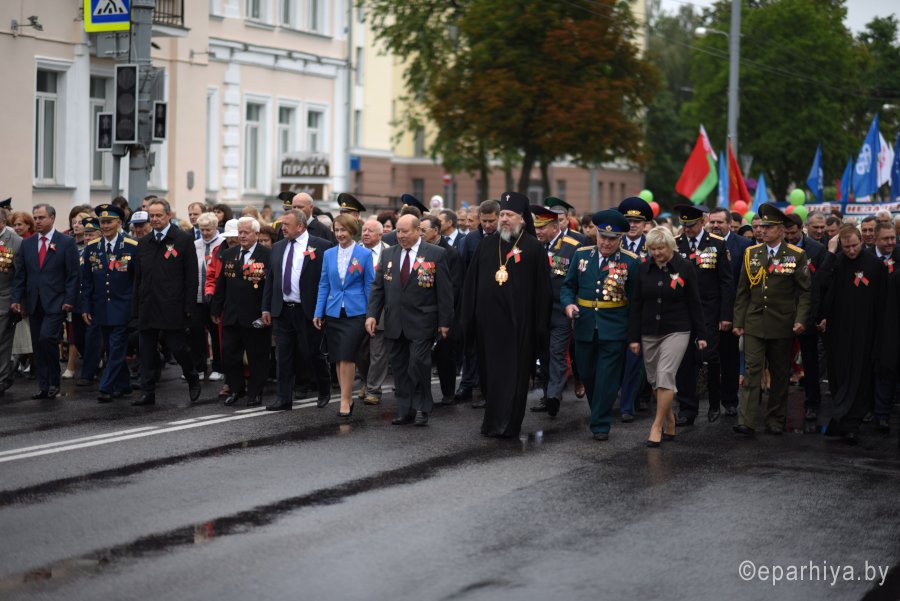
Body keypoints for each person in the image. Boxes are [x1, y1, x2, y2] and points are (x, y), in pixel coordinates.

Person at [461, 192, 551, 438]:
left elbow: (543, 292)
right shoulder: (486, 245)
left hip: (519, 327)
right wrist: (467, 319)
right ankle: (491, 423)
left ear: (522, 219)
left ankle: (509, 425)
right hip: (488, 326)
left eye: (509, 215)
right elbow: (471, 284)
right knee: (490, 377)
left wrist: (540, 327)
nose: (504, 219)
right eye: (502, 214)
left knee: (514, 377)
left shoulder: (533, 248)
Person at [366, 214, 453, 426]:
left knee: (418, 364)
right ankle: (405, 409)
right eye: (398, 231)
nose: (400, 235)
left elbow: (445, 291)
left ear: (417, 231)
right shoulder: (388, 253)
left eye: (405, 231)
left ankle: (422, 406)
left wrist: (445, 322)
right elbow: (378, 288)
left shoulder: (436, 254)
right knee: (400, 367)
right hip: (395, 321)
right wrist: (372, 315)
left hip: (422, 321)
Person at [732, 203, 811, 437]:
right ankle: (746, 420)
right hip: (755, 322)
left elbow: (805, 292)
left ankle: (775, 418)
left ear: (781, 229)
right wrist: (738, 321)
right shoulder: (751, 253)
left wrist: (801, 319)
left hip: (782, 323)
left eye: (769, 227)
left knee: (779, 374)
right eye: (762, 226)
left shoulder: (796, 255)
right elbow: (743, 291)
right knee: (752, 371)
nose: (762, 230)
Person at [561, 209, 640, 441]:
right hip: (584, 324)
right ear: (596, 234)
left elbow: (636, 300)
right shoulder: (581, 255)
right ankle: (599, 409)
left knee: (607, 376)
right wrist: (568, 305)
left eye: (611, 239)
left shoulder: (631, 261)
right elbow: (568, 286)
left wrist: (633, 333)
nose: (606, 242)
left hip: (614, 328)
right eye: (602, 237)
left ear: (620, 238)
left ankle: (600, 423)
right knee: (587, 373)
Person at [629, 227, 706, 446]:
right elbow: (636, 304)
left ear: (670, 246)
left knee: (665, 375)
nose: (657, 253)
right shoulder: (643, 268)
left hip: (677, 329)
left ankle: (656, 426)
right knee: (655, 381)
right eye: (653, 249)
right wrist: (633, 337)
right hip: (649, 331)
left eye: (661, 248)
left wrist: (701, 334)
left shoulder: (685, 267)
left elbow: (694, 301)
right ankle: (670, 418)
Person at [817, 225, 884, 444]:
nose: (851, 251)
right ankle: (841, 418)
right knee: (840, 375)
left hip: (866, 330)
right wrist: (831, 252)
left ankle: (852, 424)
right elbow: (820, 283)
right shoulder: (836, 262)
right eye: (846, 247)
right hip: (839, 331)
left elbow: (881, 300)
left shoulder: (875, 265)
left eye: (855, 245)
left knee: (860, 378)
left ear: (861, 241)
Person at [132, 198, 202, 406]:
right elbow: (138, 278)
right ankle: (147, 392)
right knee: (146, 351)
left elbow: (191, 277)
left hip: (172, 306)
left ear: (168, 216)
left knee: (178, 348)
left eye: (159, 215)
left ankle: (192, 376)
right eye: (151, 216)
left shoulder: (182, 239)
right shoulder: (144, 242)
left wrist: (189, 306)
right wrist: (135, 307)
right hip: (148, 305)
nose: (154, 219)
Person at [262, 209, 334, 411]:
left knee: (313, 353)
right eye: (282, 224)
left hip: (308, 310)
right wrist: (266, 308)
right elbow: (271, 279)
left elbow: (327, 280)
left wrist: (323, 310)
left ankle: (324, 389)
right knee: (283, 356)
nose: (283, 228)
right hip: (283, 310)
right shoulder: (278, 247)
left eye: (287, 224)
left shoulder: (322, 246)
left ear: (301, 226)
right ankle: (283, 398)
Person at [11, 204, 80, 399]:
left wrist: (69, 299)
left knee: (47, 338)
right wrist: (17, 299)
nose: (37, 221)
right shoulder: (28, 244)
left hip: (56, 301)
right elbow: (21, 275)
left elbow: (73, 275)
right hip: (34, 302)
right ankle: (43, 386)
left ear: (52, 218)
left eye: (41, 217)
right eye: (35, 218)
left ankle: (54, 381)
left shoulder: (66, 242)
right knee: (37, 344)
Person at [673, 204, 734, 424]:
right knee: (684, 360)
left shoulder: (717, 244)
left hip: (709, 311)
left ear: (702, 222)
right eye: (684, 225)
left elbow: (726, 282)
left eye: (691, 225)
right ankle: (687, 409)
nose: (687, 229)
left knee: (709, 356)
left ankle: (715, 402)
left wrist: (725, 315)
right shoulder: (675, 244)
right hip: (683, 312)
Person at [314, 214, 375, 417]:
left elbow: (369, 285)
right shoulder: (329, 254)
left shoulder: (364, 254)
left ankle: (344, 399)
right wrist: (318, 311)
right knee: (338, 358)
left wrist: (371, 314)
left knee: (347, 356)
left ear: (352, 231)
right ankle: (346, 397)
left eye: (344, 230)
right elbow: (324, 284)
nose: (340, 234)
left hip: (356, 312)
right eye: (337, 230)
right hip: (333, 311)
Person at [210, 217, 271, 407]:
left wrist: (266, 310)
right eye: (240, 232)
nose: (242, 236)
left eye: (246, 232)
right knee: (229, 355)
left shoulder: (267, 255)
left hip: (255, 315)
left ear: (256, 234)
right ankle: (237, 389)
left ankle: (255, 392)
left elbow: (270, 287)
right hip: (231, 314)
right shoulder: (229, 253)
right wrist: (216, 308)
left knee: (256, 357)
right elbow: (221, 284)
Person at [80, 204, 138, 402]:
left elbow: (136, 280)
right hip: (101, 307)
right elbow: (87, 281)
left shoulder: (131, 246)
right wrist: (86, 307)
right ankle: (124, 385)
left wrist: (135, 307)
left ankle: (106, 387)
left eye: (109, 222)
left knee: (116, 347)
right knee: (112, 348)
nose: (105, 226)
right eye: (102, 222)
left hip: (123, 307)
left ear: (119, 222)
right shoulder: (92, 247)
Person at [531, 205, 581, 417]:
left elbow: (578, 281)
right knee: (543, 355)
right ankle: (547, 395)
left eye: (542, 228)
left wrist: (575, 307)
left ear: (554, 227)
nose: (538, 231)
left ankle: (553, 395)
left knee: (557, 352)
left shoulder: (573, 247)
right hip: (539, 312)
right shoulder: (534, 246)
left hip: (561, 310)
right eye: (536, 227)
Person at [783, 213, 830, 425]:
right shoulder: (780, 248)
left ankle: (812, 403)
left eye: (793, 233)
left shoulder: (817, 250)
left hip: (808, 314)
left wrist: (818, 316)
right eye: (786, 233)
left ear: (801, 228)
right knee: (781, 362)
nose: (789, 237)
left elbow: (821, 286)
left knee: (810, 363)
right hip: (783, 314)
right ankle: (779, 405)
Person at [708, 207, 752, 417]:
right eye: (713, 222)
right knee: (709, 357)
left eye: (720, 222)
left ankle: (730, 400)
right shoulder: (704, 243)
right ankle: (712, 401)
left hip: (733, 311)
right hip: (708, 310)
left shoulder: (743, 245)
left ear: (729, 223)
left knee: (730, 358)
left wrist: (737, 315)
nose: (716, 226)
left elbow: (746, 282)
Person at [455, 199, 500, 406]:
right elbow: (462, 270)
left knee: (489, 349)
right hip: (472, 300)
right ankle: (466, 385)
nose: (487, 225)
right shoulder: (471, 239)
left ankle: (485, 390)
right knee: (470, 345)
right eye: (484, 221)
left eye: (491, 221)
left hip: (495, 301)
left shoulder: (505, 239)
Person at [617, 196, 654, 421]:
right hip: (615, 310)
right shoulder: (614, 243)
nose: (632, 225)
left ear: (645, 224)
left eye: (637, 222)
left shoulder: (652, 247)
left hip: (641, 312)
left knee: (635, 359)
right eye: (628, 221)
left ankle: (627, 405)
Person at [420, 214, 463, 405]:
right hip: (423, 310)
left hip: (443, 312)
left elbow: (453, 287)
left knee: (445, 356)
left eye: (424, 230)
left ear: (436, 231)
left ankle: (448, 393)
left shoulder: (449, 253)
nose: (420, 234)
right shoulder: (421, 250)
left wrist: (445, 314)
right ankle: (423, 395)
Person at [355, 219, 390, 405]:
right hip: (357, 308)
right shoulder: (353, 250)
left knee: (378, 352)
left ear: (380, 235)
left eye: (370, 230)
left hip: (381, 309)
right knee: (360, 352)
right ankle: (366, 380)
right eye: (364, 230)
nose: (366, 233)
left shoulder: (389, 252)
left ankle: (373, 389)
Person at [191, 212, 225, 381]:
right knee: (196, 332)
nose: (204, 233)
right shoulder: (195, 244)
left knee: (216, 334)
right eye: (201, 230)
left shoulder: (223, 243)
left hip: (215, 298)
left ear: (215, 227)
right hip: (198, 296)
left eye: (208, 230)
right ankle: (199, 367)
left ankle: (218, 367)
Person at [0, 208, 23, 394]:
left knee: (2, 341)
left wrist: (17, 300)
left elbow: (20, 275)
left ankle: (2, 378)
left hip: (4, 298)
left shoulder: (15, 242)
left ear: (1, 223)